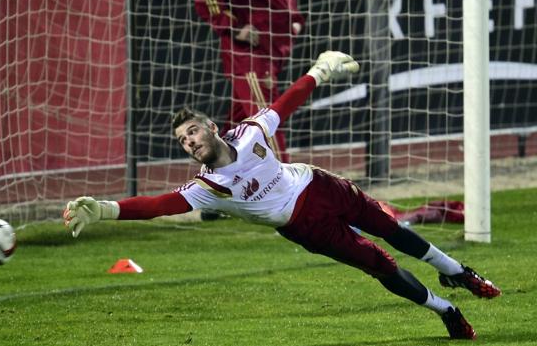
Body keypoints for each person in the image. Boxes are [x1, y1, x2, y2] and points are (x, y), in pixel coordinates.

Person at [63, 51, 500, 340]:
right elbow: (157, 206)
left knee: (392, 228)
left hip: (320, 183)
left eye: (192, 131)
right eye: (181, 141)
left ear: (212, 127)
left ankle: (458, 271)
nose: (189, 142)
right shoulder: (207, 188)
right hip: (304, 224)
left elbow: (284, 104)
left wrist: (318, 70)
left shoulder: (250, 130)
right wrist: (103, 210)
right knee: (381, 265)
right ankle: (444, 310)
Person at [194, 0, 305, 163]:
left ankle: (220, 178)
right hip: (250, 53)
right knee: (267, 119)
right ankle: (289, 185)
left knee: (238, 125)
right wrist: (234, 27)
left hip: (274, 47)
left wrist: (294, 21)